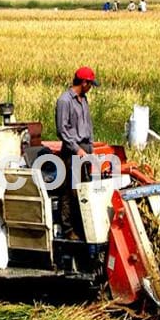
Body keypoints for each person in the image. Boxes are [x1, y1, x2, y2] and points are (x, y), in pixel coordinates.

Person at [55, 67, 100, 241]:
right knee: (71, 192)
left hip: (84, 149)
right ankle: (69, 230)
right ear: (84, 82)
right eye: (90, 84)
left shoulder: (84, 100)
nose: (91, 88)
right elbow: (62, 130)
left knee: (84, 190)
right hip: (72, 151)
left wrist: (90, 149)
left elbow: (88, 127)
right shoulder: (65, 101)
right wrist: (77, 149)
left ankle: (83, 228)